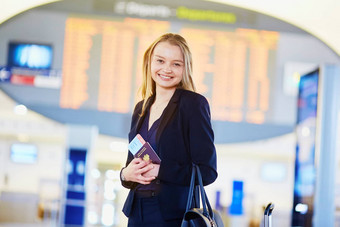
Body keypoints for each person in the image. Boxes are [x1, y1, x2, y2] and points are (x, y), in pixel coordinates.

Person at [120, 33, 217, 227]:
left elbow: (207, 171)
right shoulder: (141, 108)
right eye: (160, 60)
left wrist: (160, 170)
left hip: (172, 216)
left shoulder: (193, 104)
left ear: (185, 68)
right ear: (149, 62)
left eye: (176, 64)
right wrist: (124, 174)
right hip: (137, 212)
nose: (166, 69)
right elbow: (133, 164)